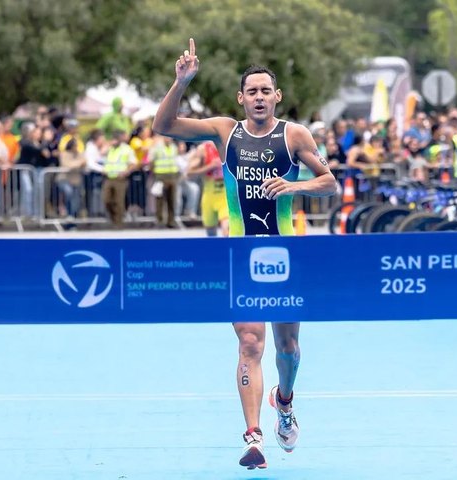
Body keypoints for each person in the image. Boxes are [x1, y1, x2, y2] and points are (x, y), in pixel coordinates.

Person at [152, 39, 338, 470]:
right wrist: (180, 82)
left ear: (277, 97)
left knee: (287, 348)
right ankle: (253, 436)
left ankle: (284, 400)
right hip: (240, 255)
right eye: (250, 91)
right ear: (241, 98)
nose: (258, 97)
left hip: (286, 255)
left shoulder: (294, 135)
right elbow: (164, 125)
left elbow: (329, 183)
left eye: (265, 91)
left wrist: (296, 186)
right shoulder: (224, 131)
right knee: (250, 341)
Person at [187, 141, 229, 236]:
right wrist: (210, 166)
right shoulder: (203, 150)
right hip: (209, 198)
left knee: (226, 230)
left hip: (225, 197)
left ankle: (228, 251)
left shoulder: (229, 145)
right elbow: (189, 173)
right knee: (211, 236)